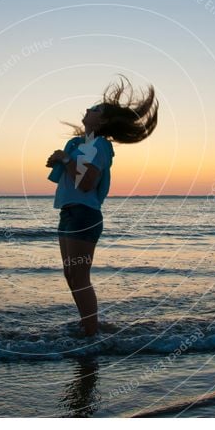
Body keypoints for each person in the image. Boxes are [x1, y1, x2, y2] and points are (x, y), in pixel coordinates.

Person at [46, 76, 159, 336]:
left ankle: (90, 332)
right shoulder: (78, 145)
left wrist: (64, 159)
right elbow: (72, 176)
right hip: (68, 212)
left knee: (80, 276)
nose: (88, 110)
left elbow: (86, 184)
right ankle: (90, 325)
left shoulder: (101, 146)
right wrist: (62, 158)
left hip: (84, 216)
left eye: (95, 109)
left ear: (103, 121)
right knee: (70, 275)